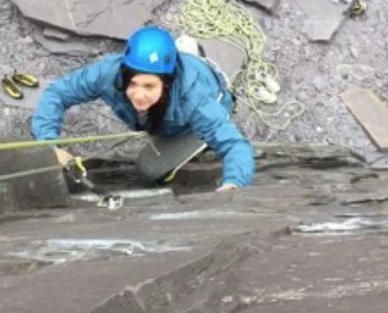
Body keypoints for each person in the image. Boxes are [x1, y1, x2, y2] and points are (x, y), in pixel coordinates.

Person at [32, 26, 254, 192]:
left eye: (149, 86)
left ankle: (196, 65)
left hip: (204, 106)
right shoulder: (110, 72)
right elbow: (57, 93)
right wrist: (49, 146)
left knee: (149, 170)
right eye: (133, 83)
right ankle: (187, 54)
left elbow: (235, 145)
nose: (138, 95)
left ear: (166, 84)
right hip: (180, 77)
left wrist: (234, 184)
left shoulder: (195, 102)